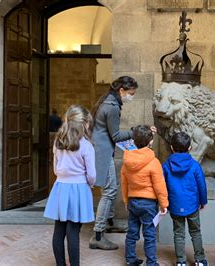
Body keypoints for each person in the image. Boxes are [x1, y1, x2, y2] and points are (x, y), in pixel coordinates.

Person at [90, 76, 156, 250]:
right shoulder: (111, 107)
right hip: (102, 153)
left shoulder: (108, 102)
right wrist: (138, 131)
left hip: (101, 151)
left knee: (111, 187)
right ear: (122, 91)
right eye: (131, 93)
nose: (131, 97)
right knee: (110, 191)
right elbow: (117, 136)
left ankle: (109, 222)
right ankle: (97, 235)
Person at [43, 105, 96, 266]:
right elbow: (91, 173)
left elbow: (55, 167)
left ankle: (60, 264)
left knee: (59, 230)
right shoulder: (86, 145)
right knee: (73, 231)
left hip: (61, 186)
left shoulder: (58, 142)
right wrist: (90, 184)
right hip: (79, 187)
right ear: (84, 124)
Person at [121, 125, 169, 266]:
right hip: (148, 204)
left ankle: (130, 260)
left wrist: (126, 200)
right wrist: (164, 204)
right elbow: (160, 185)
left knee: (132, 233)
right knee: (149, 234)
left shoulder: (127, 160)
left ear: (134, 141)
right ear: (150, 142)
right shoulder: (153, 162)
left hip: (133, 201)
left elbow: (124, 183)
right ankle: (152, 262)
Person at [162, 132, 208, 266]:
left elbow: (162, 186)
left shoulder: (166, 166)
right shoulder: (194, 165)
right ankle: (200, 260)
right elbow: (201, 185)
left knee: (178, 233)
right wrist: (203, 201)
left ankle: (181, 261)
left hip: (175, 206)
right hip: (193, 205)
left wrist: (163, 202)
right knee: (195, 232)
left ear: (172, 147)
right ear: (189, 148)